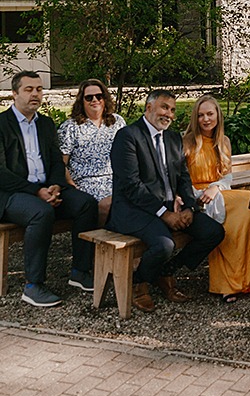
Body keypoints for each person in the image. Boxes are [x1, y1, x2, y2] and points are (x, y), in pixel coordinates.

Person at [108, 88, 225, 312]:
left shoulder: (172, 138)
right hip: (134, 211)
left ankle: (166, 272)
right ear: (149, 107)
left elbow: (183, 176)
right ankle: (138, 284)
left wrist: (190, 207)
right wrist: (165, 214)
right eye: (164, 107)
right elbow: (131, 186)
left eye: (172, 110)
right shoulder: (128, 136)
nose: (169, 114)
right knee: (164, 244)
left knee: (213, 232)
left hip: (171, 207)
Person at [0, 70, 98, 307]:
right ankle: (33, 285)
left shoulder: (45, 123)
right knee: (41, 213)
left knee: (87, 203)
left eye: (39, 89)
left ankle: (79, 272)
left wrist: (55, 186)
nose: (35, 94)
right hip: (11, 194)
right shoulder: (1, 124)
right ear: (14, 94)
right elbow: (1, 172)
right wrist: (36, 192)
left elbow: (56, 161)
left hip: (46, 189)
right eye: (28, 89)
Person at [182, 95, 250, 301]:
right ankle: (230, 283)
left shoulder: (224, 142)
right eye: (201, 115)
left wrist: (216, 188)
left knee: (249, 214)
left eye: (210, 114)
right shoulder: (187, 142)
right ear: (195, 118)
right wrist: (204, 193)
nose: (205, 119)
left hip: (220, 193)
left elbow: (227, 176)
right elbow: (180, 178)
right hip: (197, 197)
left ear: (218, 115)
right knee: (249, 202)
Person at [58, 78, 125, 226]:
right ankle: (98, 240)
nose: (95, 100)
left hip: (114, 178)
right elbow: (61, 162)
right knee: (107, 204)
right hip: (85, 181)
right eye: (89, 97)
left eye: (99, 96)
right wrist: (69, 183)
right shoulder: (71, 127)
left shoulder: (117, 122)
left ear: (104, 98)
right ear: (82, 101)